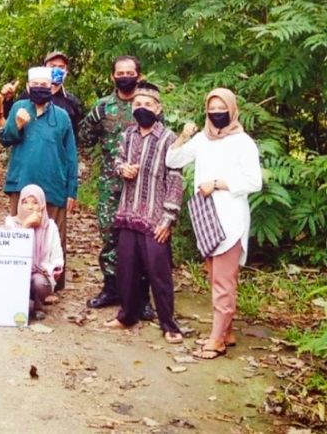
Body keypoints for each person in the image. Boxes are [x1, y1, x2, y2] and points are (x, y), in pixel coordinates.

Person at [166, 88, 262, 359]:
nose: (217, 114)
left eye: (222, 109)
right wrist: (184, 135)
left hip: (231, 219)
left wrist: (219, 184)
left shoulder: (243, 142)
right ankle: (226, 332)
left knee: (223, 282)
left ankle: (217, 340)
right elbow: (172, 160)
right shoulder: (202, 140)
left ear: (232, 111)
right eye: (212, 109)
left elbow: (254, 182)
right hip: (206, 218)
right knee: (215, 278)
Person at [103, 82, 184, 344]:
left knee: (159, 273)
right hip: (129, 213)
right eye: (137, 104)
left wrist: (168, 218)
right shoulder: (127, 135)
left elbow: (175, 180)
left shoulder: (169, 139)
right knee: (126, 268)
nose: (142, 108)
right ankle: (127, 315)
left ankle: (168, 324)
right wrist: (122, 169)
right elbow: (116, 162)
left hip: (155, 217)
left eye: (147, 104)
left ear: (158, 108)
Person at [79, 55, 153, 318]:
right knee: (110, 236)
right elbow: (85, 139)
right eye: (119, 73)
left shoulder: (147, 106)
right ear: (112, 77)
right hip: (110, 183)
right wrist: (91, 121)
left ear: (139, 76)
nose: (124, 76)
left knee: (142, 240)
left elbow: (162, 142)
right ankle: (112, 288)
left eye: (129, 72)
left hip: (142, 186)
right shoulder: (103, 107)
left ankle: (142, 297)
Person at [0, 66, 77, 263]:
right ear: (28, 86)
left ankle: (52, 281)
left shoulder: (61, 115)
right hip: (21, 181)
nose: (40, 88)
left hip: (54, 183)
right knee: (19, 231)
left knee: (54, 234)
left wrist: (71, 191)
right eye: (35, 85)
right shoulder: (19, 107)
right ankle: (18, 276)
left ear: (51, 87)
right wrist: (17, 124)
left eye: (44, 85)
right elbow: (4, 139)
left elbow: (71, 155)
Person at [4, 185, 64, 321]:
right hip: (16, 271)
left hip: (40, 274)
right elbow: (10, 251)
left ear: (42, 205)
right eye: (25, 202)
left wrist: (46, 271)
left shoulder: (50, 226)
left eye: (35, 202)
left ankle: (38, 307)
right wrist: (26, 225)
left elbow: (57, 259)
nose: (30, 207)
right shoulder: (11, 223)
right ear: (20, 204)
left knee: (39, 282)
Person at [2, 52, 83, 135]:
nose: (57, 70)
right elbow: (9, 118)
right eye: (52, 66)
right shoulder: (29, 94)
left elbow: (75, 133)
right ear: (44, 68)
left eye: (61, 67)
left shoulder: (71, 101)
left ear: (66, 71)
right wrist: (8, 99)